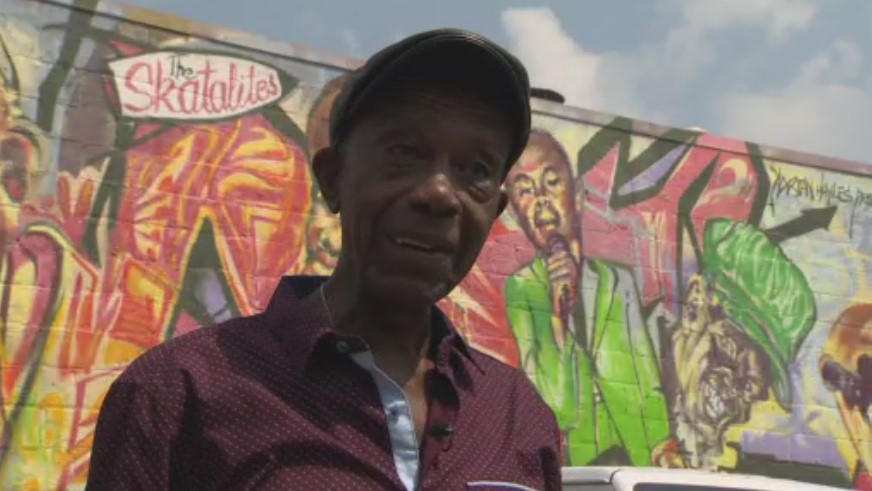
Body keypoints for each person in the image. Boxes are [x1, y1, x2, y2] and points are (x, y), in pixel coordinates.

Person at [85, 29, 562, 491]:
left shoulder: (518, 415)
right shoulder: (178, 394)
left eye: (476, 170)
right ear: (333, 178)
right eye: (405, 151)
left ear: (495, 211)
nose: (440, 194)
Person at [504, 130, 669, 466]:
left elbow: (645, 376)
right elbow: (555, 405)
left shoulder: (617, 281)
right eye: (525, 191)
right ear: (517, 213)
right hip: (579, 467)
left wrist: (662, 444)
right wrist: (557, 319)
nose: (541, 200)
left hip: (633, 455)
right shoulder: (522, 288)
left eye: (552, 183)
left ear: (577, 196)